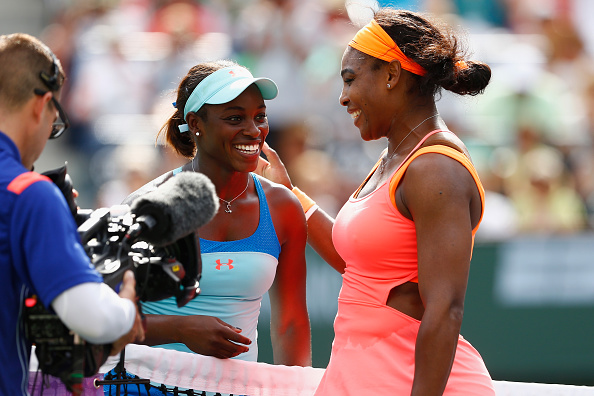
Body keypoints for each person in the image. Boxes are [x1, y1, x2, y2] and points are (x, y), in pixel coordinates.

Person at [256, 8, 495, 396]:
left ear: (390, 75)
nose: (343, 97)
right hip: (362, 377)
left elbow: (445, 309)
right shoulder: (395, 158)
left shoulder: (435, 169)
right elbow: (361, 269)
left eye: (350, 80)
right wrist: (290, 194)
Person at [104, 60, 311, 395]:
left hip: (239, 389)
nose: (254, 129)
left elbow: (290, 324)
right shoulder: (145, 207)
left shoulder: (283, 207)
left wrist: (297, 390)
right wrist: (181, 329)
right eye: (234, 118)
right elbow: (107, 322)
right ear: (195, 124)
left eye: (260, 116)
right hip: (147, 386)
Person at [0, 33, 145, 395]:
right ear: (42, 104)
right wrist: (126, 308)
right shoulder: (28, 194)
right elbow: (94, 318)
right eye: (55, 115)